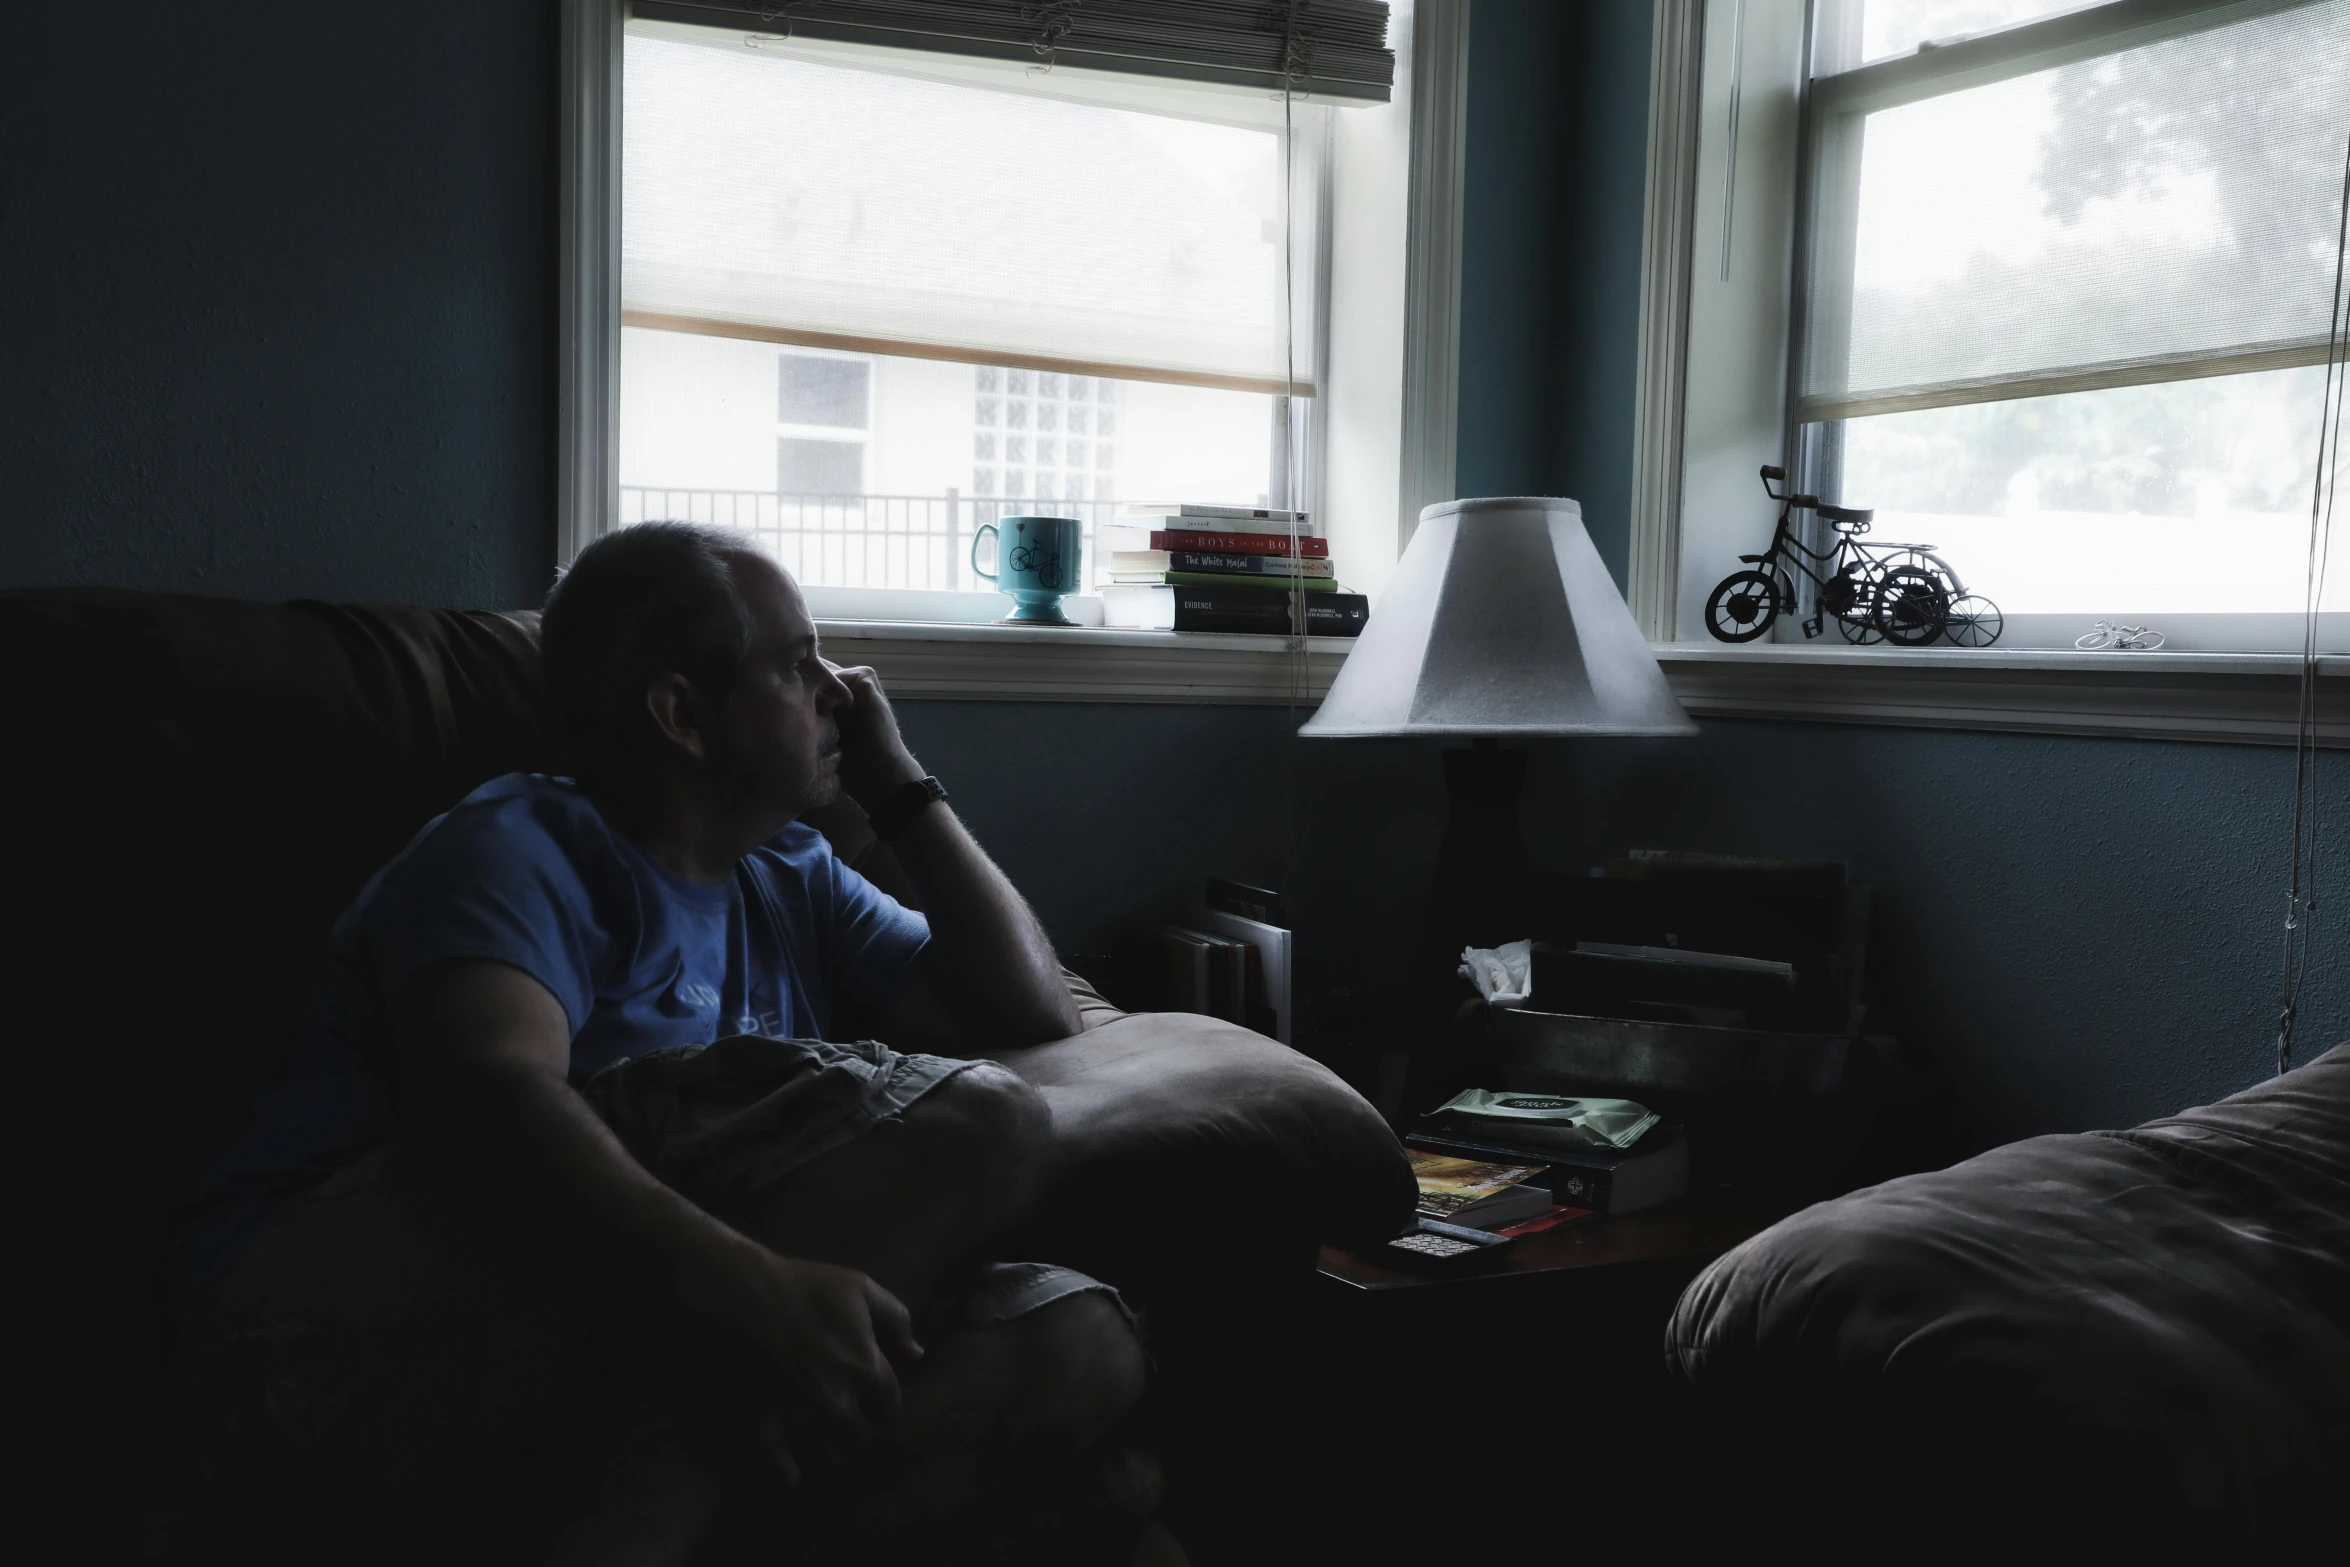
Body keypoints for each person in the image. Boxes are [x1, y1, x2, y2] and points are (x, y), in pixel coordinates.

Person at [166, 522, 1154, 1563]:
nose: (843, 691)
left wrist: (898, 785)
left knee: (1078, 1344)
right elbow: (480, 1101)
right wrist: (744, 1293)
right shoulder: (517, 847)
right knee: (981, 1117)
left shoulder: (793, 876)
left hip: (605, 1333)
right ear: (683, 714)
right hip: (313, 1319)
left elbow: (1027, 1015)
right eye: (796, 664)